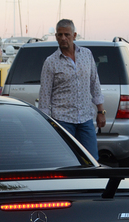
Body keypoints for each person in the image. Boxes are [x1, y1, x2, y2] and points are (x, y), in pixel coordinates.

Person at [38, 19, 105, 160]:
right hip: (62, 120)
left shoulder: (87, 55)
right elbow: (45, 95)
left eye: (67, 34)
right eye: (60, 35)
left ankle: (89, 182)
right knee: (65, 160)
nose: (63, 38)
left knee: (91, 159)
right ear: (56, 36)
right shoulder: (51, 62)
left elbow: (94, 83)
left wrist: (100, 111)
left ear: (74, 35)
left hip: (86, 118)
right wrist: (46, 123)